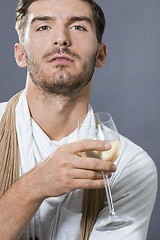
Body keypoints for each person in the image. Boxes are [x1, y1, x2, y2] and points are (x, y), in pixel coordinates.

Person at [0, 0, 157, 239]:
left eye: (78, 27)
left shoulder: (130, 166)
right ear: (21, 54)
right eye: (44, 27)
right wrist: (35, 185)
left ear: (100, 55)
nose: (61, 39)